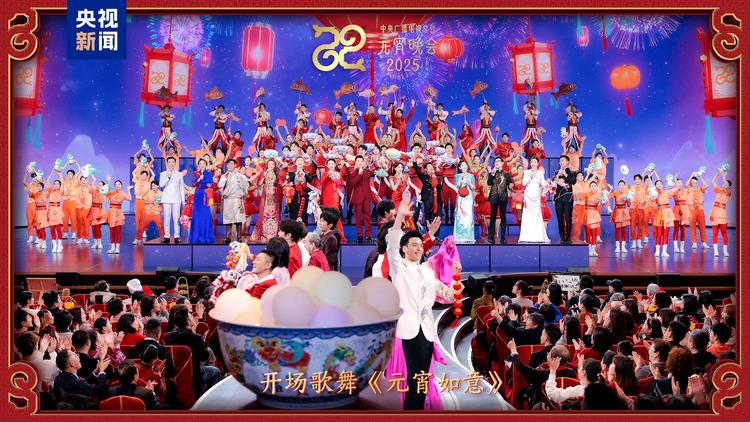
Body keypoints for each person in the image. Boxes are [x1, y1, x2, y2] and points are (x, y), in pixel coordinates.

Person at [385, 190, 459, 410]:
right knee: (414, 378)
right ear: (404, 248)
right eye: (414, 245)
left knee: (421, 378)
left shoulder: (427, 270)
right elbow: (393, 242)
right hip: (408, 328)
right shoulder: (399, 267)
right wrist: (400, 215)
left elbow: (448, 294)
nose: (418, 248)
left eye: (420, 245)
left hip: (426, 330)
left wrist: (457, 278)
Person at [165, 306, 220, 395]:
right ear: (188, 321)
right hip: (194, 373)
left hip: (176, 372)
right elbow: (204, 357)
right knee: (216, 371)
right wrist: (198, 336)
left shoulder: (168, 336)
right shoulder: (196, 337)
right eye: (190, 316)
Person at [250, 159, 283, 242]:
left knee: (274, 214)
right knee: (265, 213)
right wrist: (264, 176)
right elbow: (259, 184)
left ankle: (274, 234)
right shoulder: (264, 173)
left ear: (275, 166)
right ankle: (264, 234)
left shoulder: (277, 174)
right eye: (269, 164)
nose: (271, 166)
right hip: (266, 196)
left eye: (272, 164)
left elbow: (280, 184)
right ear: (267, 165)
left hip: (274, 196)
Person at [519, 157, 550, 243]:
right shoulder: (527, 172)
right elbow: (524, 183)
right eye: (532, 162)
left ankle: (538, 236)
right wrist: (530, 176)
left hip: (536, 196)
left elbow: (543, 183)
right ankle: (527, 236)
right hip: (528, 196)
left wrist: (548, 183)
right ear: (530, 163)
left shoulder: (540, 173)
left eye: (535, 162)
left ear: (537, 163)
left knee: (536, 215)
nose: (533, 163)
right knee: (528, 215)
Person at [218, 159, 249, 243]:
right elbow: (220, 186)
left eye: (231, 164)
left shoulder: (240, 176)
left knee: (238, 218)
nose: (229, 165)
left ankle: (239, 237)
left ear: (235, 165)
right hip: (228, 199)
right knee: (228, 218)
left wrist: (244, 192)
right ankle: (227, 237)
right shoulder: (224, 176)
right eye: (228, 164)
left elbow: (246, 185)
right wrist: (223, 193)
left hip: (237, 199)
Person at [159, 157, 187, 244]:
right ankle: (166, 236)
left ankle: (176, 236)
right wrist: (168, 177)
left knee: (176, 218)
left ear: (175, 163)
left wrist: (183, 200)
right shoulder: (163, 174)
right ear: (167, 163)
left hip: (176, 199)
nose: (171, 164)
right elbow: (161, 185)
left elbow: (181, 187)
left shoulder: (179, 174)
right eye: (169, 162)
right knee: (166, 218)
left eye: (173, 162)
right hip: (166, 199)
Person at [347, 155, 374, 242]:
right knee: (358, 218)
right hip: (358, 198)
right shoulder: (352, 172)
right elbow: (352, 183)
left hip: (367, 197)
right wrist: (359, 174)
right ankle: (360, 235)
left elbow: (373, 173)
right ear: (355, 162)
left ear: (363, 162)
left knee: (367, 217)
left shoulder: (367, 171)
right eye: (358, 161)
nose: (359, 163)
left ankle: (368, 235)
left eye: (361, 161)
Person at [189, 159, 215, 244]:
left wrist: (209, 185)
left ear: (206, 165)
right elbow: (193, 184)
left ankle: (206, 236)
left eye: (204, 163)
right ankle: (196, 236)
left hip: (206, 195)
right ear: (198, 165)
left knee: (205, 214)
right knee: (197, 214)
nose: (202, 165)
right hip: (198, 194)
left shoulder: (209, 174)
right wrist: (199, 179)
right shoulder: (196, 173)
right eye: (200, 163)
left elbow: (212, 183)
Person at [105, 178, 132, 254]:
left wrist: (128, 190)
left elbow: (130, 198)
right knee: (111, 231)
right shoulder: (111, 193)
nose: (118, 185)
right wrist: (109, 182)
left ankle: (117, 248)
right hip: (111, 213)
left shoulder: (123, 194)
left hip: (118, 213)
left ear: (121, 185)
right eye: (116, 184)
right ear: (114, 186)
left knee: (118, 231)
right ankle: (112, 248)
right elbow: (106, 199)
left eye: (119, 184)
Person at [554, 156, 577, 244]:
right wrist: (557, 176)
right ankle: (562, 236)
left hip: (568, 198)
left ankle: (568, 237)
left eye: (563, 160)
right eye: (560, 161)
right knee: (559, 218)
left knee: (568, 218)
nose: (561, 162)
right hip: (558, 198)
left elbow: (573, 181)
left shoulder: (572, 172)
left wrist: (564, 173)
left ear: (567, 162)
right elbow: (554, 184)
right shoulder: (557, 172)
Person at [709, 170, 731, 257]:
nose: (724, 185)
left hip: (722, 214)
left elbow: (726, 185)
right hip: (714, 212)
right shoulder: (719, 190)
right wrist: (717, 174)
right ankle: (716, 251)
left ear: (729, 186)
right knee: (715, 233)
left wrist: (723, 175)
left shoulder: (728, 193)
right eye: (723, 184)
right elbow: (713, 181)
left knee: (724, 232)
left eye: (726, 184)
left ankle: (725, 251)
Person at [453, 161, 475, 243]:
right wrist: (459, 182)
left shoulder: (471, 176)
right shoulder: (457, 176)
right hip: (461, 198)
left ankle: (469, 236)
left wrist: (469, 183)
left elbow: (473, 188)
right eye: (462, 165)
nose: (464, 166)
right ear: (459, 167)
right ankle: (459, 236)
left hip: (469, 198)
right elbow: (456, 187)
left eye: (465, 165)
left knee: (468, 215)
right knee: (460, 215)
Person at [687, 175, 710, 250]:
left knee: (702, 226)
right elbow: (686, 184)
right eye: (692, 181)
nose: (693, 182)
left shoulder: (700, 188)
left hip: (700, 209)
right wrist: (691, 176)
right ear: (690, 182)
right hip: (692, 209)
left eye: (695, 181)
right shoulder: (688, 189)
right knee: (692, 226)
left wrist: (701, 178)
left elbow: (706, 185)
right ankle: (694, 243)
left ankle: (704, 243)